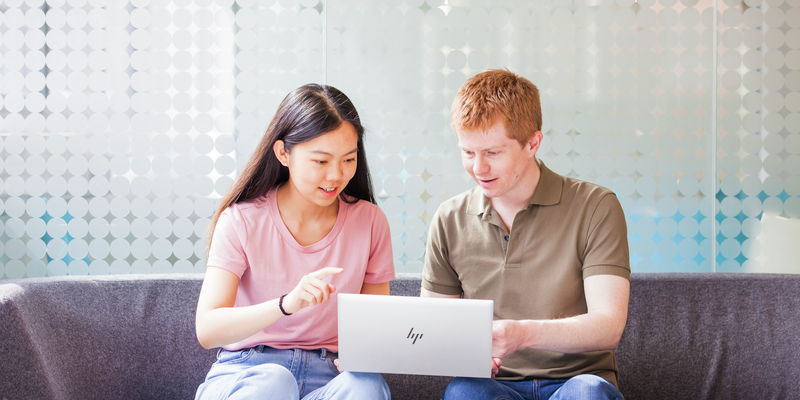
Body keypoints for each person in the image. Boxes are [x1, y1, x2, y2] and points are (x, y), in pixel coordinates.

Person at [422, 69, 630, 400]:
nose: (478, 168)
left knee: (588, 393)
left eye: (492, 153)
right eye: (468, 152)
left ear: (533, 143)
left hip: (575, 382)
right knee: (464, 393)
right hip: (492, 386)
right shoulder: (450, 218)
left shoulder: (596, 207)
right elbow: (432, 328)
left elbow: (608, 327)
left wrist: (523, 333)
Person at [194, 84, 394, 400]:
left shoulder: (370, 222)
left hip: (328, 377)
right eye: (321, 161)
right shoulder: (241, 220)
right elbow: (207, 328)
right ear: (283, 153)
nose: (336, 176)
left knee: (365, 388)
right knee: (275, 383)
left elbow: (375, 324)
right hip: (248, 374)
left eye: (348, 159)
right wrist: (286, 304)